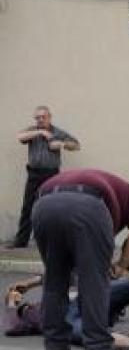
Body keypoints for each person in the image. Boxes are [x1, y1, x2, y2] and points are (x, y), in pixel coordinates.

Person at [32, 169, 129, 350]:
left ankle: (55, 347)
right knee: (94, 283)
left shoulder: (108, 182)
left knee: (55, 280)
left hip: (43, 205)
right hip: (87, 205)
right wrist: (122, 265)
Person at [10, 106, 80, 249]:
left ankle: (53, 241)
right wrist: (40, 132)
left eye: (43, 117)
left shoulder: (57, 132)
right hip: (34, 174)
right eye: (38, 117)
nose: (40, 120)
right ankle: (20, 242)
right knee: (28, 207)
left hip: (51, 175)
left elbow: (76, 145)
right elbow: (20, 137)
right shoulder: (32, 131)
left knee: (52, 207)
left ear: (49, 117)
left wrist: (61, 143)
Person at [4, 275, 129, 345]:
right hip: (66, 318)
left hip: (85, 300)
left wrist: (29, 283)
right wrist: (11, 304)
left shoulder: (51, 296)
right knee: (92, 334)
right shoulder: (28, 314)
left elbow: (60, 272)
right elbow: (12, 327)